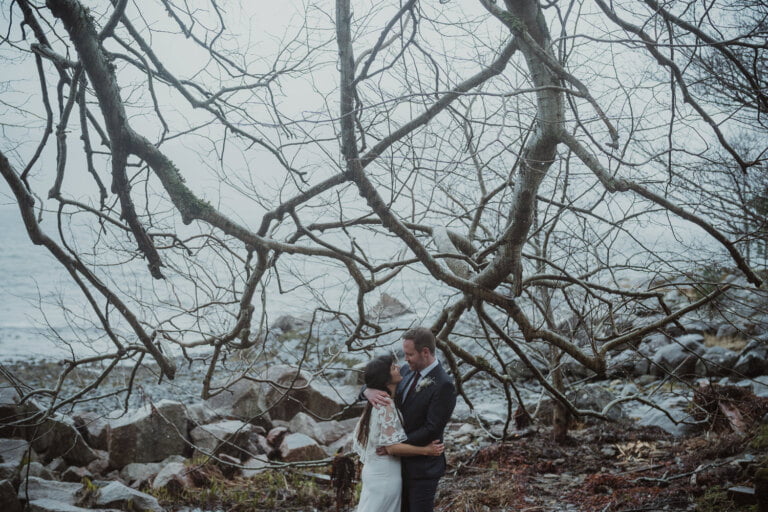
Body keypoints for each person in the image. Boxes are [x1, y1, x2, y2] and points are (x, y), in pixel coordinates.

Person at [363, 327, 457, 512]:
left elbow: (431, 428)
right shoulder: (405, 370)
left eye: (409, 354)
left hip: (422, 469)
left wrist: (395, 445)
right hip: (396, 467)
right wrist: (367, 391)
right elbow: (378, 383)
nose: (405, 359)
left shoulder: (444, 384)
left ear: (425, 352)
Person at [353, 354, 445, 512]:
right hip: (385, 476)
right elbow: (392, 447)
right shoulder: (385, 403)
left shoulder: (375, 402)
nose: (399, 366)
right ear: (386, 378)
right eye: (393, 367)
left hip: (374, 471)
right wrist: (426, 450)